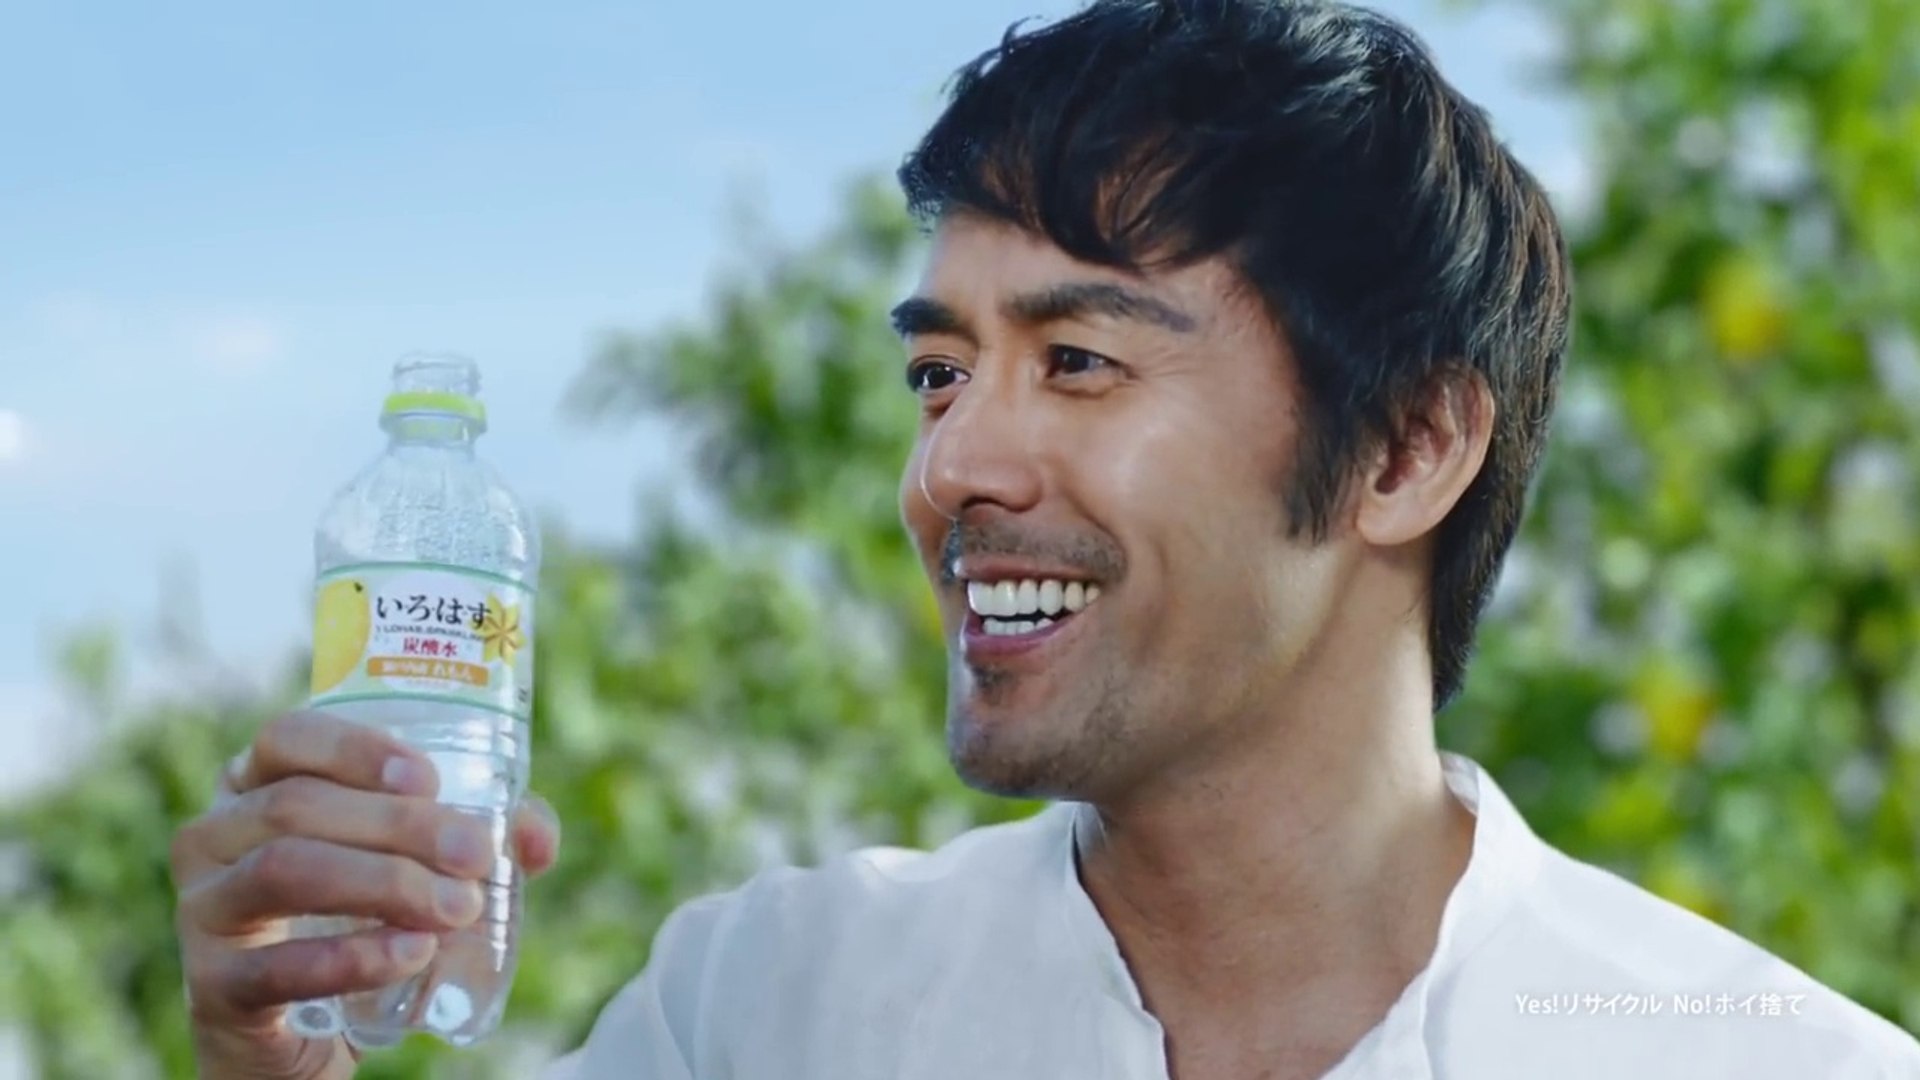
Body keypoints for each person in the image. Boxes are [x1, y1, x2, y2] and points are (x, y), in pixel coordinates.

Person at [171, 1, 1920, 1077]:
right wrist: (277, 1066)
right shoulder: (767, 1010)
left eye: (1078, 361)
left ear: (1407, 447)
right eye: (941, 374)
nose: (954, 467)